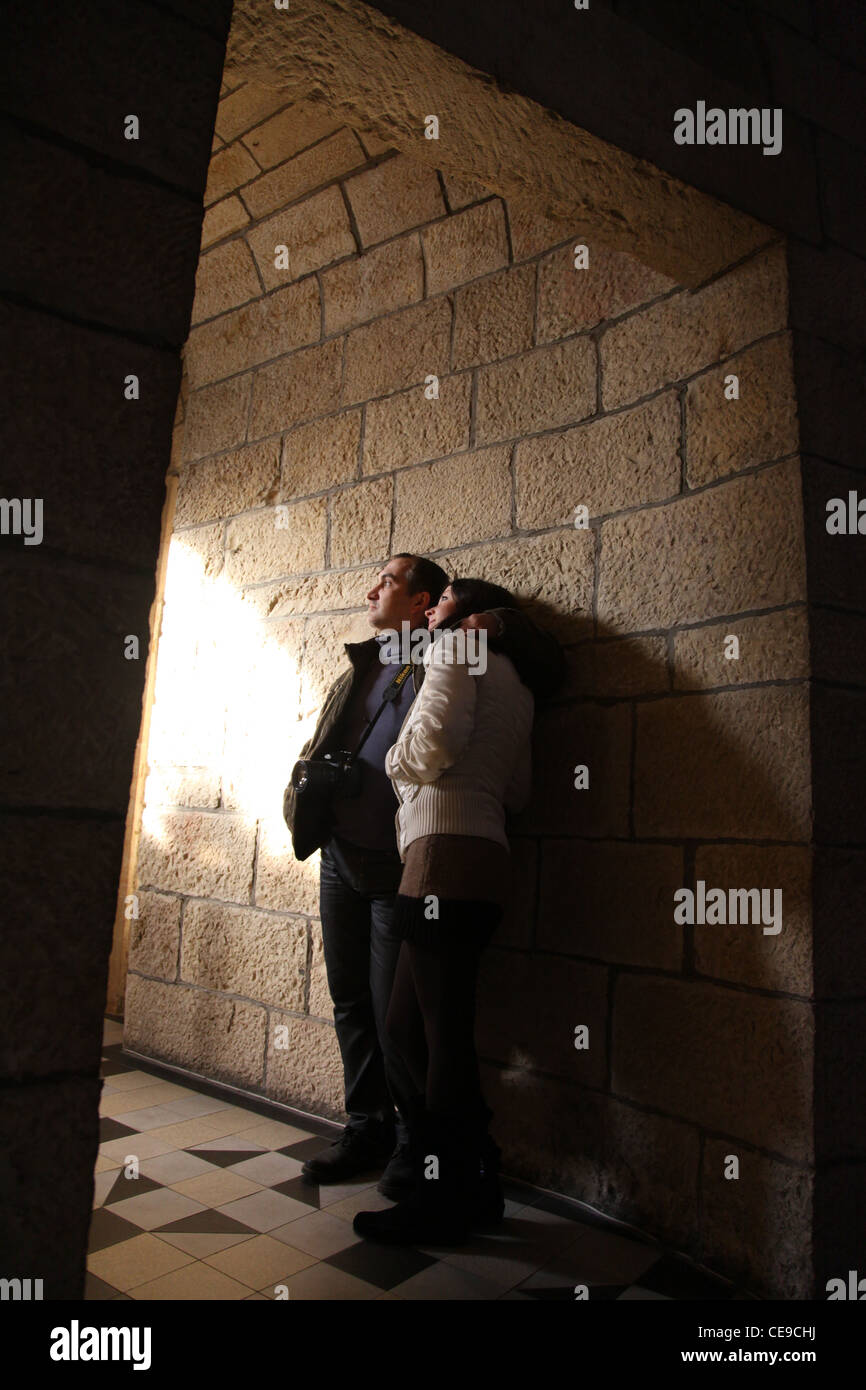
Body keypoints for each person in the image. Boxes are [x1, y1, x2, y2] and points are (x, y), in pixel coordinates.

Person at [283, 554, 564, 1200]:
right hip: (345, 854)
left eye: (388, 580)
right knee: (360, 1002)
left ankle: (424, 1158)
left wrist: (489, 621)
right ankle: (374, 1130)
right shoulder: (368, 661)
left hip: (410, 863)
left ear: (427, 603)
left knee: (405, 1021)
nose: (370, 588)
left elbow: (435, 741)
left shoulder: (455, 648)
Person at [351, 578, 534, 1246]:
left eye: (443, 597)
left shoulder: (456, 649)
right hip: (486, 853)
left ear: (469, 607)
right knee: (415, 1026)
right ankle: (476, 1177)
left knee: (433, 1034)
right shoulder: (516, 678)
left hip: (441, 856)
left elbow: (431, 744)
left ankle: (441, 1193)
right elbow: (519, 788)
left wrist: (397, 762)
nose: (431, 609)